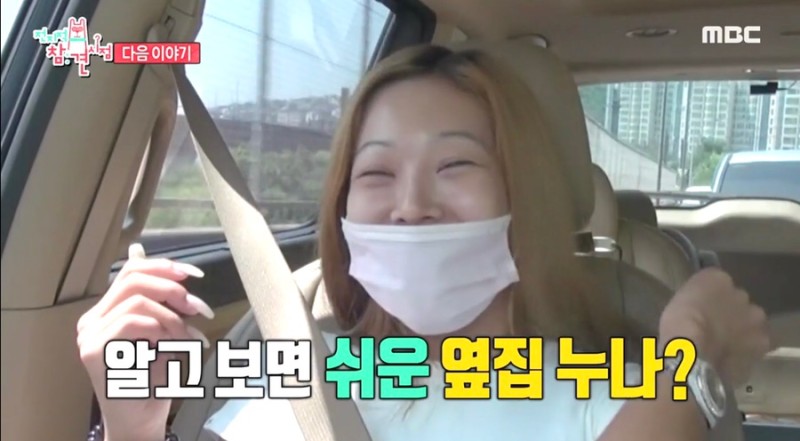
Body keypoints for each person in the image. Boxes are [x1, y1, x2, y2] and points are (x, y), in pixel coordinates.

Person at [76, 44, 770, 441]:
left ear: (522, 202)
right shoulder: (288, 369)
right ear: (343, 213)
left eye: (456, 165)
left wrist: (690, 353)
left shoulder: (609, 392)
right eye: (376, 174)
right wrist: (131, 425)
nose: (410, 207)